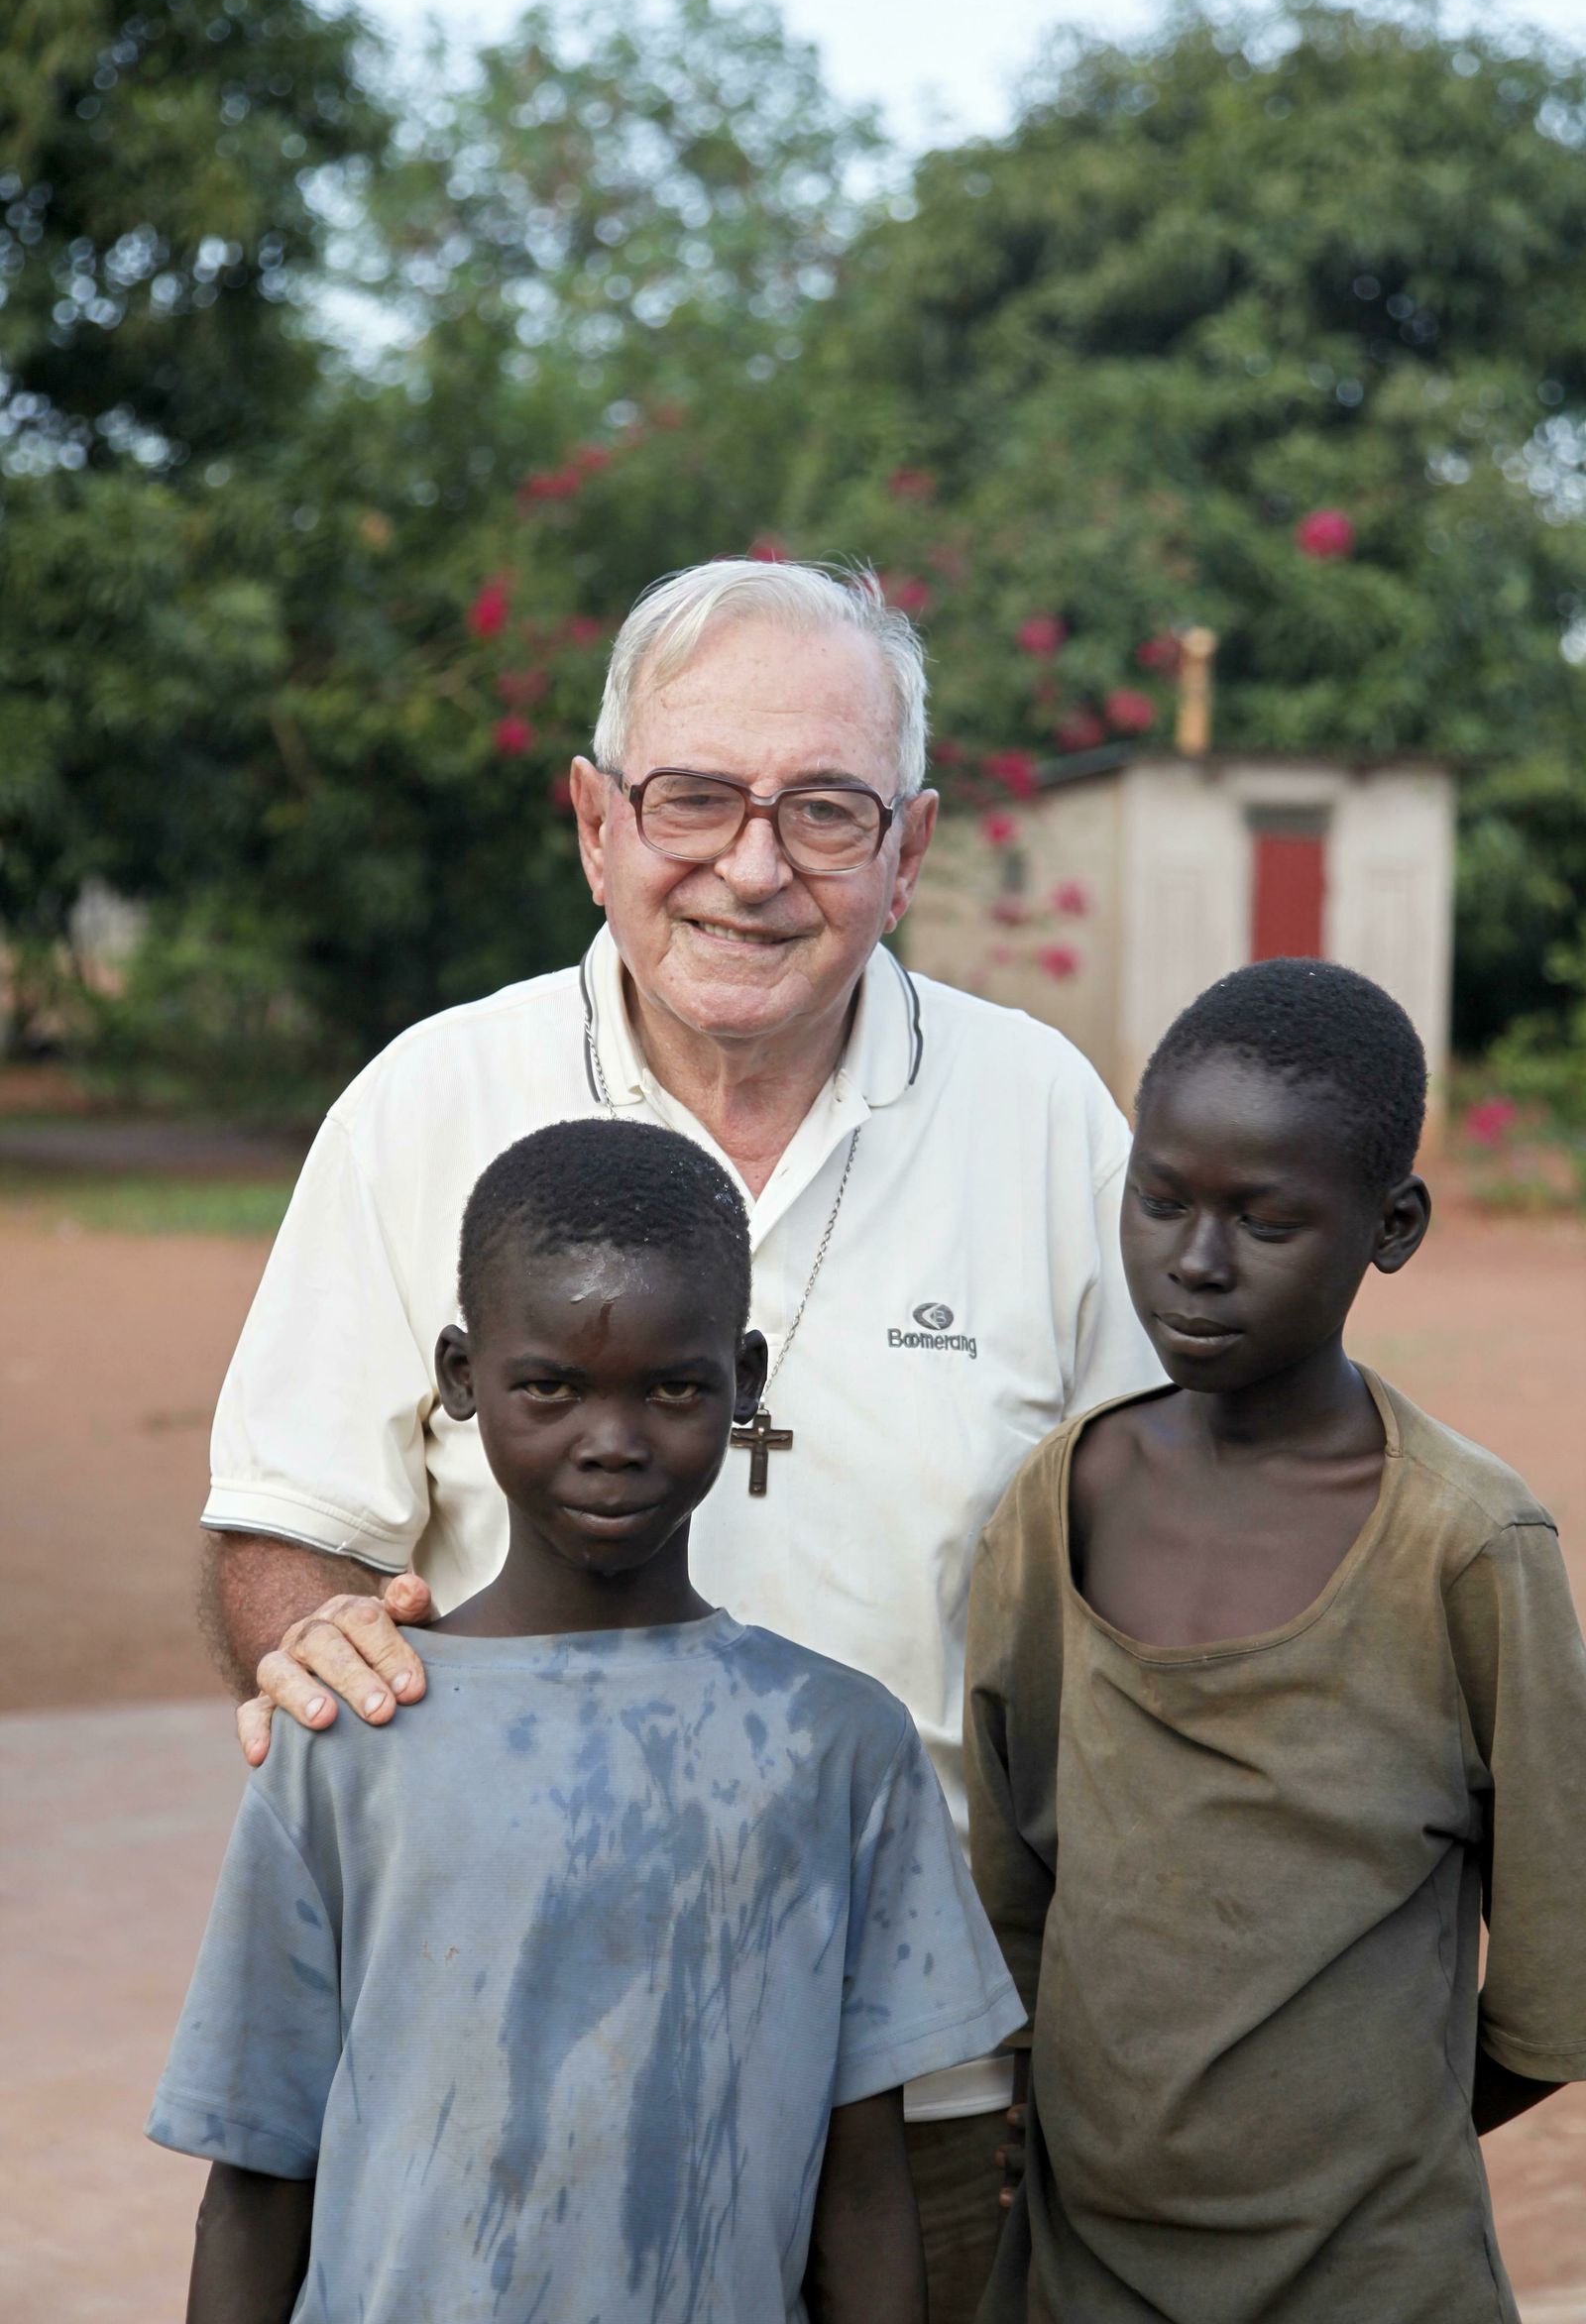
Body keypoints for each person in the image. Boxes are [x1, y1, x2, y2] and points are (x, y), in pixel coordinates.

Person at [194, 557, 1157, 2313]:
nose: (752, 863)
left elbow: (1166, 1546)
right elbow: (282, 1521)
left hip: (931, 2092)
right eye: (693, 797)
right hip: (499, 2074)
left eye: (825, 808)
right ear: (593, 819)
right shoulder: (431, 1103)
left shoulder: (1042, 1124)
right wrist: (314, 1645)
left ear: (911, 848)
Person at [151, 1118, 1024, 2324]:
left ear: (746, 1379)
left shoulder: (836, 1746)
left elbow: (862, 2192)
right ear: (461, 1378)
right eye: (550, 1388)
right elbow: (253, 2187)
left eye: (672, 1388)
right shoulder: (353, 1734)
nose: (610, 1444)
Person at [964, 957, 1586, 2324]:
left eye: (1266, 1219)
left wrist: (1345, 2155)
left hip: (1373, 2279)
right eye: (1162, 1199)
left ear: (1393, 1225)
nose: (1194, 1260)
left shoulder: (1467, 1546)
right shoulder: (1059, 1502)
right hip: (1081, 2276)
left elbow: (1550, 1987)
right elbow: (1011, 1893)